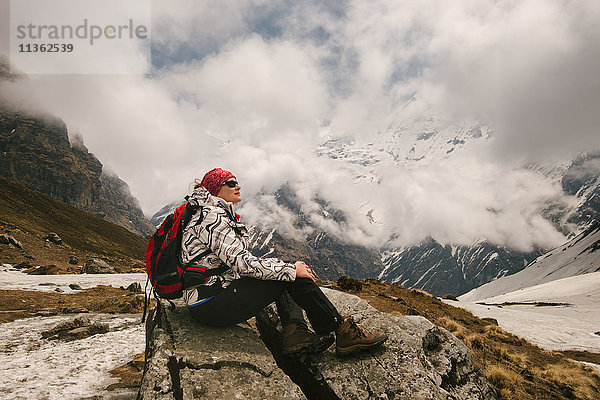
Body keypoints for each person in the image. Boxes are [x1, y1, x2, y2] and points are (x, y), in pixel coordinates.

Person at [180, 167, 387, 355]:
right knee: (289, 275)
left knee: (284, 271)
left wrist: (285, 268)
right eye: (231, 183)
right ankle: (342, 333)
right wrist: (290, 270)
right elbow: (242, 264)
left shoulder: (212, 214)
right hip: (210, 304)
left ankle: (296, 333)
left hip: (210, 298)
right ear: (217, 188)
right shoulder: (212, 218)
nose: (238, 186)